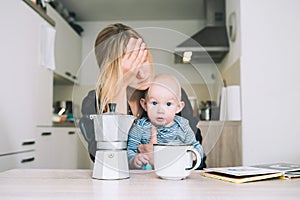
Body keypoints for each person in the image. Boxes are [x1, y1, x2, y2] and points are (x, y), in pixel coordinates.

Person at [80, 23, 206, 169]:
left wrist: (163, 155)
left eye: (143, 59)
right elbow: (107, 161)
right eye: (131, 66)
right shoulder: (94, 101)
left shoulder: (169, 94)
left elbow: (199, 158)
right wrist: (119, 86)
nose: (142, 73)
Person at [127, 74, 204, 169]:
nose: (160, 110)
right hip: (147, 179)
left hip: (176, 174)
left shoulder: (183, 126)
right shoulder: (140, 127)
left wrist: (194, 155)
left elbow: (197, 147)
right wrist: (134, 160)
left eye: (168, 104)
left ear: (178, 107)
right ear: (144, 105)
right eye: (154, 103)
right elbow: (129, 151)